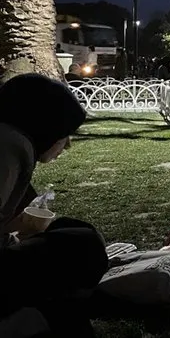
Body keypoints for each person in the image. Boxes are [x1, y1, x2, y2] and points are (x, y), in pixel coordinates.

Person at [0, 74, 108, 335]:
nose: (67, 145)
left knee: (67, 229)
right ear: (46, 126)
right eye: (65, 134)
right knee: (84, 245)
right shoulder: (12, 148)